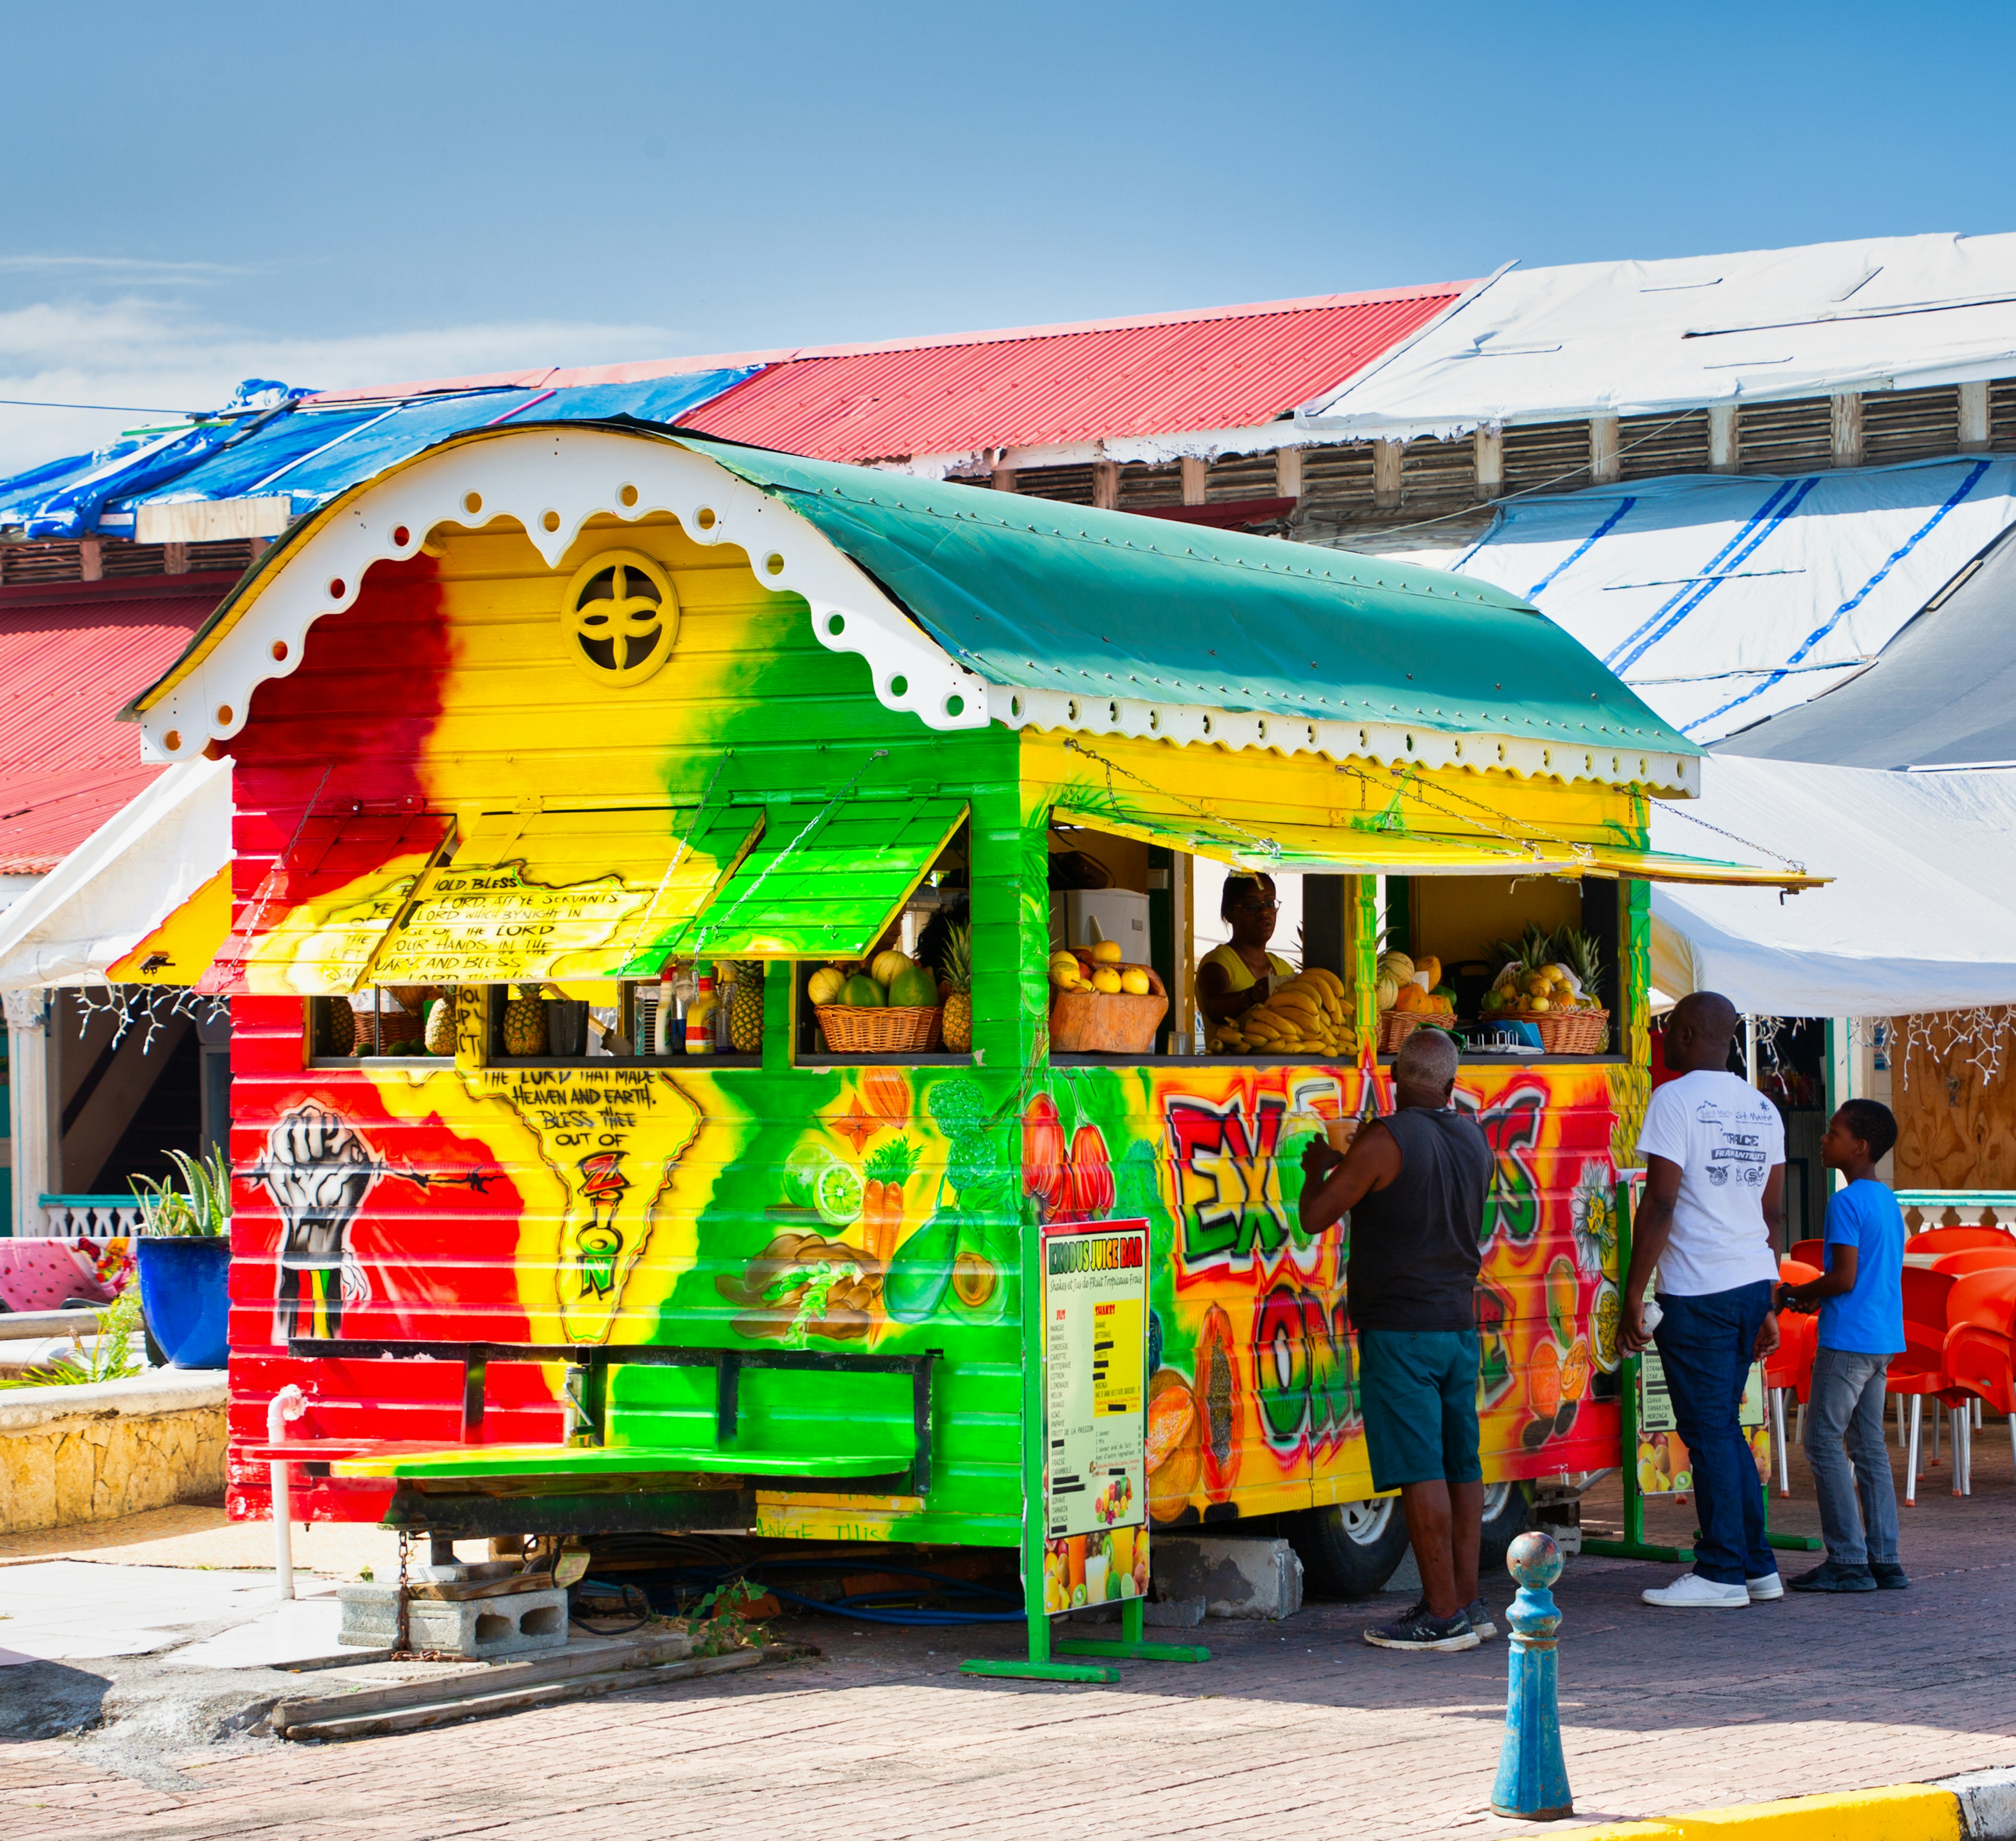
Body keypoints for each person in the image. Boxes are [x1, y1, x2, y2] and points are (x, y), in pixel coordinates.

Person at [1300, 1028, 1495, 1652]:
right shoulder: (1474, 1138)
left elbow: (1317, 1214)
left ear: (1394, 1076)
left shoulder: (1384, 1139)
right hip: (1458, 1327)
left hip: (1401, 1331)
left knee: (1419, 1470)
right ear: (1451, 1084)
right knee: (1462, 1464)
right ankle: (1467, 1601)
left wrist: (1316, 1169)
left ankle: (1440, 1615)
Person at [1622, 991, 1784, 1609]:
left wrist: (1635, 1293)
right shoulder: (1763, 1107)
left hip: (1698, 1288)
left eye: (1667, 1029)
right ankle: (1757, 1566)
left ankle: (1720, 1571)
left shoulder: (1674, 1099)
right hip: (1747, 1283)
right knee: (1725, 1429)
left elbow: (1660, 1202)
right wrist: (1767, 1295)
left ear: (1688, 1032)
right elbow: (1770, 1211)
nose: (1663, 1038)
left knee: (1711, 1430)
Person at [1775, 1100, 1908, 1593]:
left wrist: (1794, 1293)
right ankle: (1884, 1558)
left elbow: (1844, 1278)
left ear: (1860, 1146)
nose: (1824, 1140)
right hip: (1881, 1340)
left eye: (1833, 1133)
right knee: (1869, 1445)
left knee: (1822, 1441)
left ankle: (1849, 1560)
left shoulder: (1845, 1203)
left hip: (1847, 1339)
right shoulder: (1886, 1200)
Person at [1196, 873, 1295, 1052]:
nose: (1264, 912)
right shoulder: (1218, 963)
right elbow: (1215, 1010)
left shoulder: (1283, 968)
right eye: (1252, 906)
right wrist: (1252, 995)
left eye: (1270, 904)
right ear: (1230, 913)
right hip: (1232, 1075)